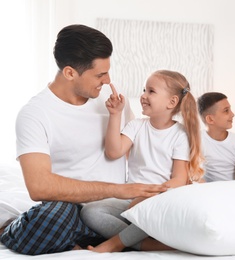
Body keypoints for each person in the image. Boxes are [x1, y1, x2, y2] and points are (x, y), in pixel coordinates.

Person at [0, 24, 166, 255]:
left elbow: (138, 146)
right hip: (69, 210)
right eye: (100, 74)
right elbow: (39, 186)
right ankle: (9, 230)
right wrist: (117, 189)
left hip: (114, 209)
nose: (107, 80)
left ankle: (80, 241)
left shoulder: (111, 100)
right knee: (50, 221)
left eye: (107, 71)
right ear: (70, 72)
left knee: (166, 216)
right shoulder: (35, 114)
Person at [81, 70, 204, 253]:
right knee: (90, 211)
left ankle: (116, 243)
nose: (143, 96)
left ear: (172, 102)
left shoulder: (180, 135)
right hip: (131, 199)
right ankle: (150, 243)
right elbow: (114, 151)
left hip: (160, 200)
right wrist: (116, 114)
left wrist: (148, 197)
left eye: (151, 91)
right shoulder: (136, 126)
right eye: (144, 89)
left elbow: (178, 180)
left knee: (152, 213)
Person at [197, 92, 235, 181]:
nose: (232, 114)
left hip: (233, 189)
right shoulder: (197, 139)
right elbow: (194, 173)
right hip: (208, 190)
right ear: (210, 119)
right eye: (226, 110)